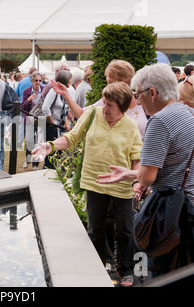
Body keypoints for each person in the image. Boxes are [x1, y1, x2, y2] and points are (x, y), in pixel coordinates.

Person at [97, 63, 194, 275]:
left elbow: (147, 177)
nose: (137, 99)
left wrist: (136, 177)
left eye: (138, 93)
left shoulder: (160, 121)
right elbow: (179, 163)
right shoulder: (190, 112)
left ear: (152, 92)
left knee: (168, 275)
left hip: (181, 212)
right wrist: (131, 173)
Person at [32, 82, 142, 287]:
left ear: (123, 107)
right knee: (96, 230)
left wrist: (134, 177)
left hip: (121, 186)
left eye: (110, 105)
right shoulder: (92, 115)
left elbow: (136, 157)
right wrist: (50, 146)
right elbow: (72, 138)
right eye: (105, 102)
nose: (105, 108)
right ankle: (100, 267)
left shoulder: (131, 126)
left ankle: (127, 270)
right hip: (94, 182)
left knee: (125, 229)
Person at [53, 59, 147, 141]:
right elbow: (82, 114)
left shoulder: (142, 101)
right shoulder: (106, 101)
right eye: (107, 82)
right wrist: (66, 95)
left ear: (125, 82)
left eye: (111, 82)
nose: (107, 86)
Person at [41, 70, 71, 169]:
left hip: (60, 127)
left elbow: (64, 110)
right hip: (52, 127)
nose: (71, 81)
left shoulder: (64, 92)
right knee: (51, 155)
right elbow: (45, 107)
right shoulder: (53, 91)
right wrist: (52, 122)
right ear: (65, 80)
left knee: (58, 153)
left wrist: (66, 123)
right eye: (69, 79)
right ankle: (45, 174)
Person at [21, 71, 45, 171]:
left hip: (41, 118)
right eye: (36, 80)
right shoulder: (26, 91)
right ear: (32, 81)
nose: (38, 82)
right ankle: (27, 159)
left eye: (40, 80)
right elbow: (22, 107)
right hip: (30, 118)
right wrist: (29, 99)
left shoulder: (44, 90)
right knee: (30, 141)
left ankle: (36, 164)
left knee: (39, 141)